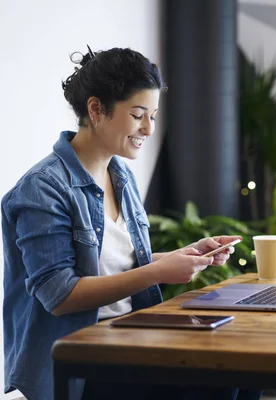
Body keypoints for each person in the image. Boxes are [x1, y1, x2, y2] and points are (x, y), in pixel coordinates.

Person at [2, 46, 261, 400]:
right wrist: (158, 272)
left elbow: (116, 265)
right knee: (220, 383)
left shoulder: (120, 174)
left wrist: (181, 256)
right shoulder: (42, 189)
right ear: (96, 109)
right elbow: (59, 295)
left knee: (246, 367)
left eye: (152, 116)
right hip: (80, 360)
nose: (148, 128)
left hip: (129, 337)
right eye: (139, 114)